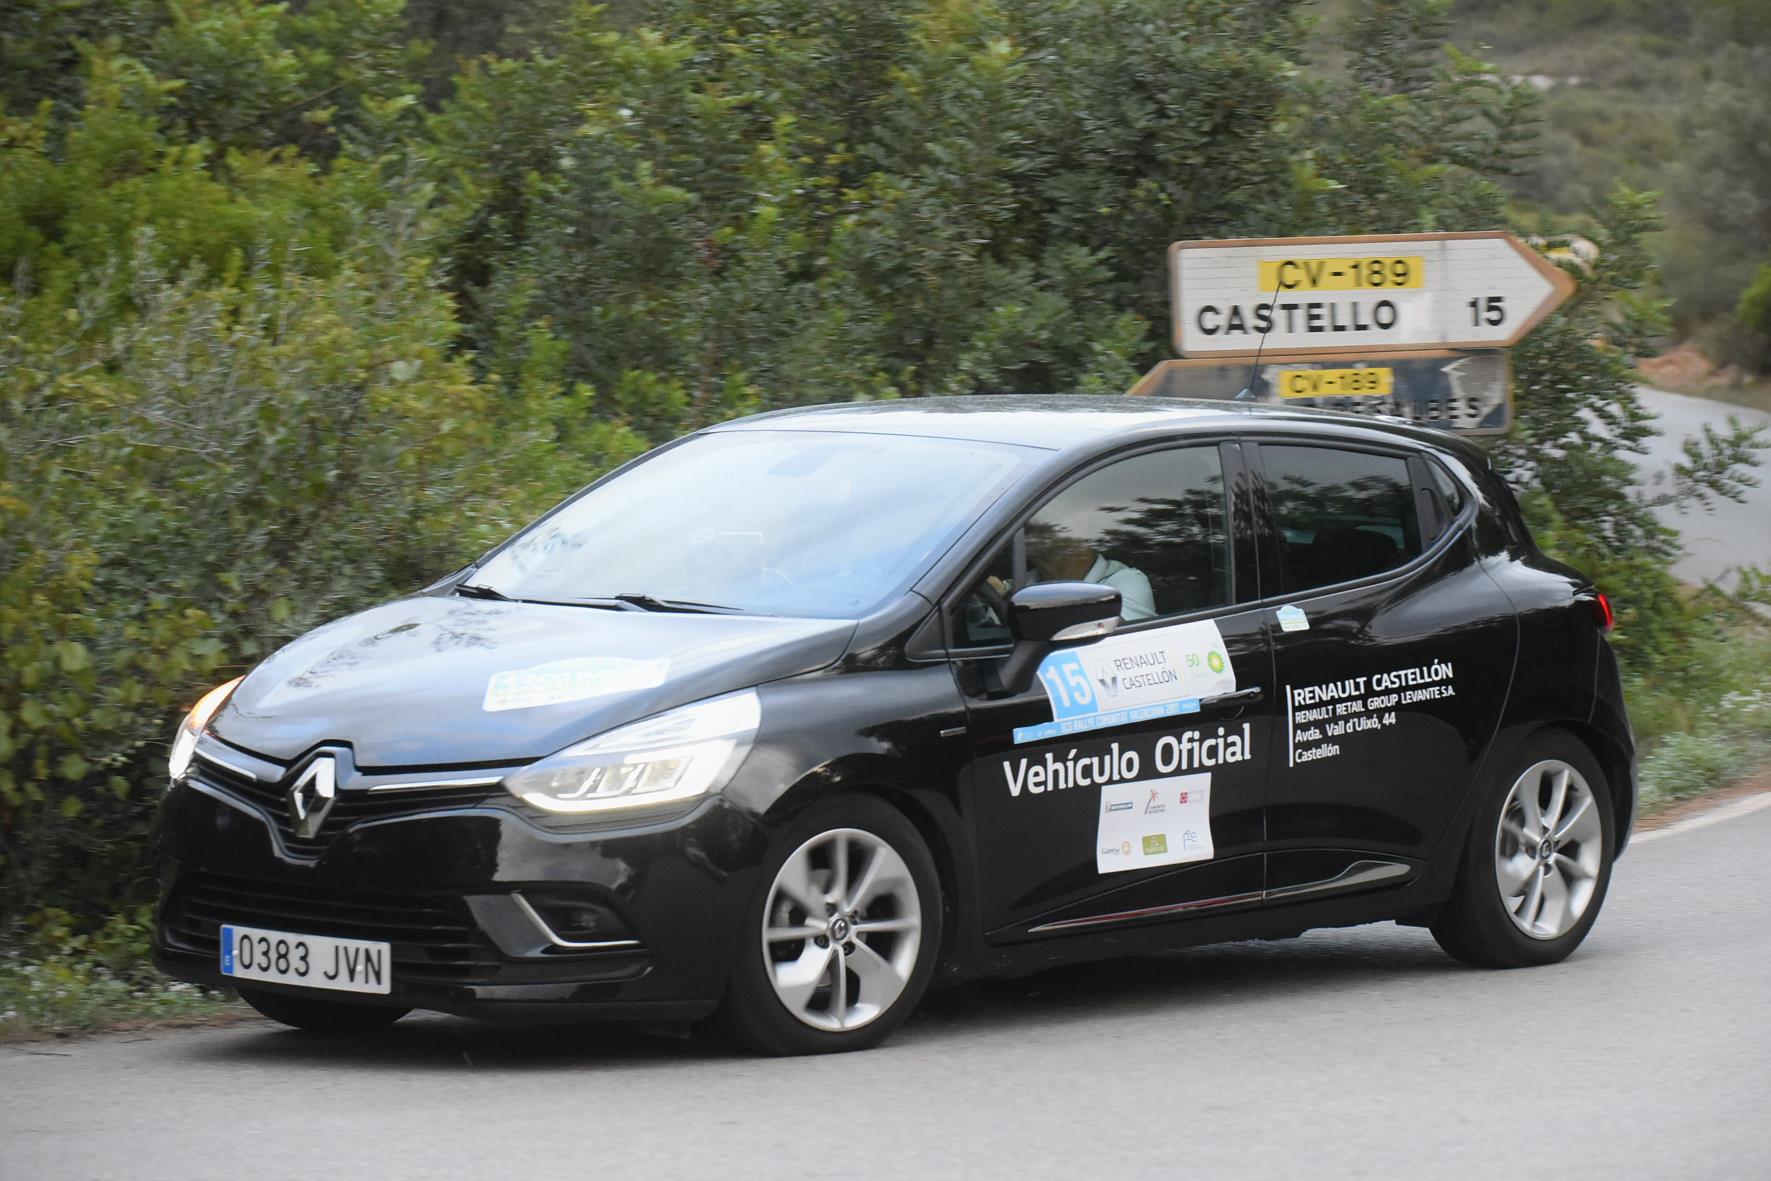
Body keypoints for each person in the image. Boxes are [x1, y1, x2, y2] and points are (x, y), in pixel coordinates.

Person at [987, 529, 1157, 623]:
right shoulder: (1020, 584)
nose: (1035, 542)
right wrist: (999, 594)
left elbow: (1118, 634)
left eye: (1048, 535)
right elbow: (993, 631)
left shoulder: (1126, 580)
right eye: (1031, 536)